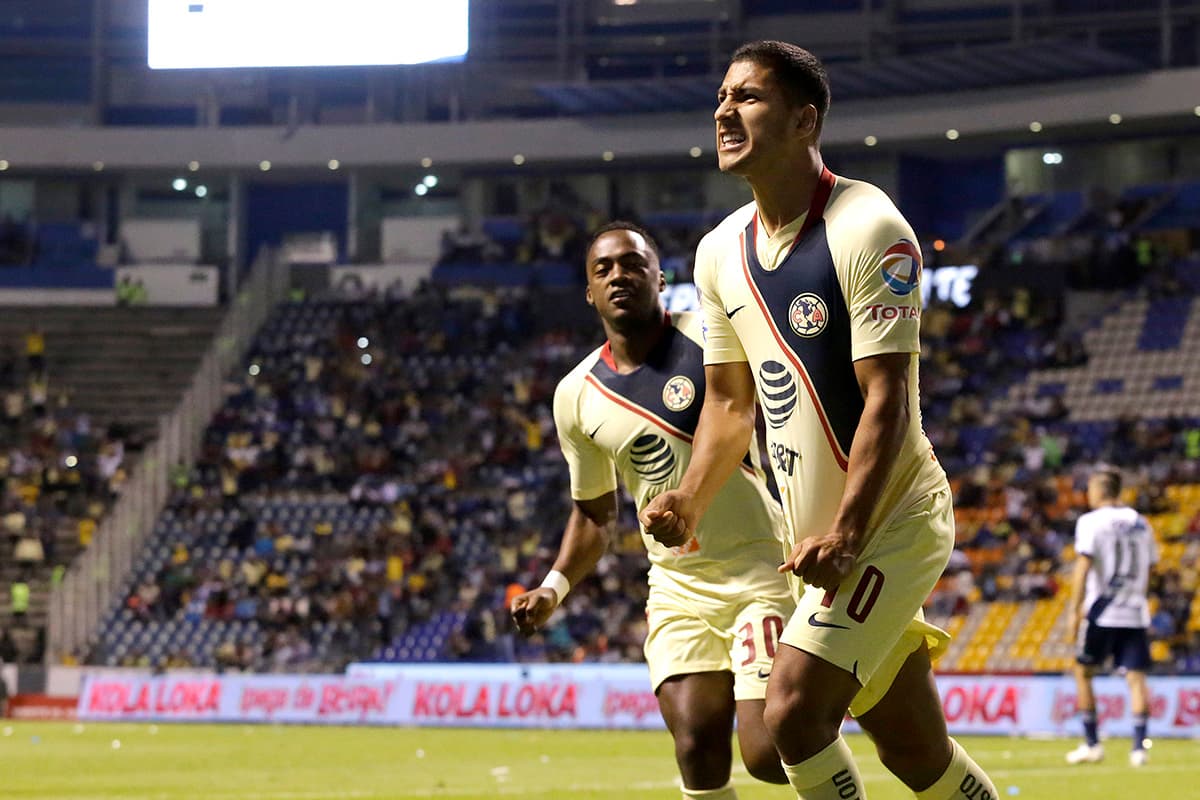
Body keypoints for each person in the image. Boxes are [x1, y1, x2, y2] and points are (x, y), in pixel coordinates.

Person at [640, 41, 998, 800]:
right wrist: (691, 497)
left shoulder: (869, 227)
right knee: (916, 755)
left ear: (804, 121)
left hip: (889, 523)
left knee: (793, 713)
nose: (724, 111)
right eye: (722, 96)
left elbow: (888, 398)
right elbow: (730, 404)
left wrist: (848, 535)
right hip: (814, 542)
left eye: (747, 97)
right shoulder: (718, 252)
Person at [511, 221, 795, 800]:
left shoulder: (714, 338)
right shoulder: (575, 395)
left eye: (633, 264)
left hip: (759, 568)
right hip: (678, 584)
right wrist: (553, 588)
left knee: (769, 753)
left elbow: (753, 416)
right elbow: (594, 514)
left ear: (661, 278)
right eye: (604, 269)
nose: (619, 275)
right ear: (589, 292)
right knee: (695, 744)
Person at [1064, 466, 1158, 767]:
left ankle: (1092, 744)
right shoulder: (1142, 523)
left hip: (1102, 612)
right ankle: (1139, 749)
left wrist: (1074, 611)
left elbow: (1083, 567)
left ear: (1098, 489)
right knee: (1136, 678)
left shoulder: (1091, 521)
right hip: (1135, 611)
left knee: (1083, 672)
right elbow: (1150, 567)